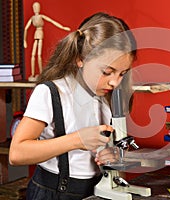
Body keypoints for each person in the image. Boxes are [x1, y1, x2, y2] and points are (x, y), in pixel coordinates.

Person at [10, 12, 137, 200]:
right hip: (53, 193)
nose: (115, 83)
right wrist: (76, 140)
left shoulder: (104, 98)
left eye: (122, 73)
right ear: (80, 58)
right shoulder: (51, 93)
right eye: (107, 72)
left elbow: (98, 151)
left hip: (92, 191)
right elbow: (17, 153)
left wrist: (109, 155)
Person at [24, 2, 71, 82]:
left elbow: (52, 21)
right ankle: (33, 74)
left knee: (38, 55)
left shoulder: (41, 17)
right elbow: (26, 29)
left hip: (40, 33)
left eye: (37, 7)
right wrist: (24, 40)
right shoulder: (32, 18)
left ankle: (41, 73)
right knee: (33, 55)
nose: (36, 9)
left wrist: (63, 27)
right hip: (36, 34)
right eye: (34, 7)